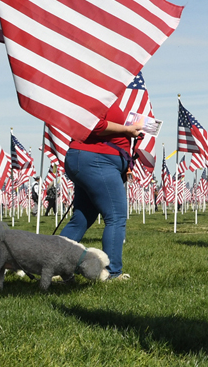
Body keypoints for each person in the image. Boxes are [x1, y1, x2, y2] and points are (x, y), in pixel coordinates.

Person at [58, 88, 144, 282]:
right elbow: (94, 126)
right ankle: (112, 273)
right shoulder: (96, 93)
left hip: (91, 160)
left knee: (82, 218)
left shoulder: (102, 94)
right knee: (115, 216)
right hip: (97, 160)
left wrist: (129, 132)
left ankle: (56, 267)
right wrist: (126, 130)